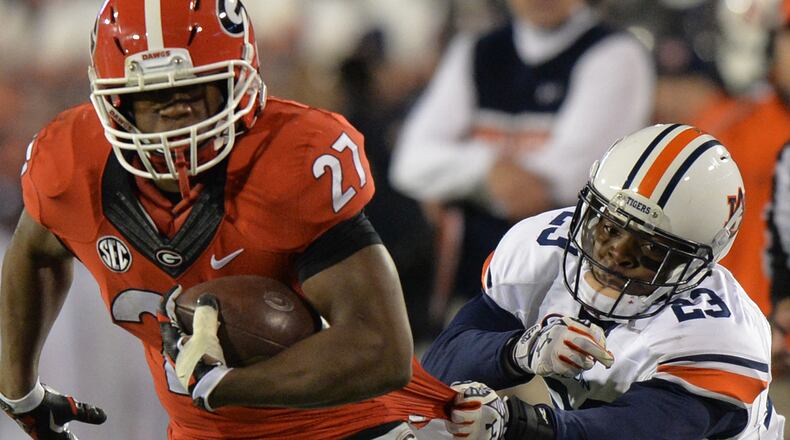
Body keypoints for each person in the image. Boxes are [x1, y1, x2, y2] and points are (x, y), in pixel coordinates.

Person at [0, 1, 490, 439]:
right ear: (116, 103)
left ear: (239, 82)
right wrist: (18, 391)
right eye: (153, 98)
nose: (179, 114)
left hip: (347, 422)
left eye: (198, 90)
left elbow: (380, 348)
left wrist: (231, 386)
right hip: (203, 431)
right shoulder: (70, 165)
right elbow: (34, 251)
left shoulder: (293, 160)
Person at [422, 123, 785, 439]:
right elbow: (441, 365)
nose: (617, 253)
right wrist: (522, 350)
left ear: (695, 262)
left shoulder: (717, 331)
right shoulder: (545, 250)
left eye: (649, 247)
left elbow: (635, 430)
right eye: (610, 226)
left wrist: (518, 424)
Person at [389, 0, 654, 323]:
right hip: (467, 287)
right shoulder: (476, 50)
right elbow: (409, 161)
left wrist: (453, 181)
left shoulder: (617, 54)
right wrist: (485, 169)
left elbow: (566, 184)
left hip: (563, 297)